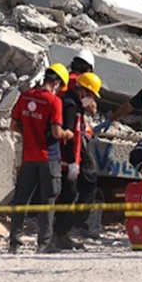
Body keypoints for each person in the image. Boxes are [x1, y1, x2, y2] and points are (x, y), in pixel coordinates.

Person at [9, 63, 74, 253]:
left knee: (21, 200)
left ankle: (14, 243)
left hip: (28, 157)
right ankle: (43, 245)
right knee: (48, 201)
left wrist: (29, 134)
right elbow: (55, 132)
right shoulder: (54, 102)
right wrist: (67, 135)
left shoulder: (25, 96)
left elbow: (13, 125)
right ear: (57, 83)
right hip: (49, 157)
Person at [49, 72, 103, 251]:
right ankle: (59, 235)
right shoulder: (70, 106)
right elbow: (68, 137)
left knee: (69, 195)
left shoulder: (76, 105)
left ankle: (61, 234)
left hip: (72, 159)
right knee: (67, 195)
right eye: (92, 95)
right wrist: (71, 161)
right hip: (66, 160)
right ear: (84, 91)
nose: (92, 99)